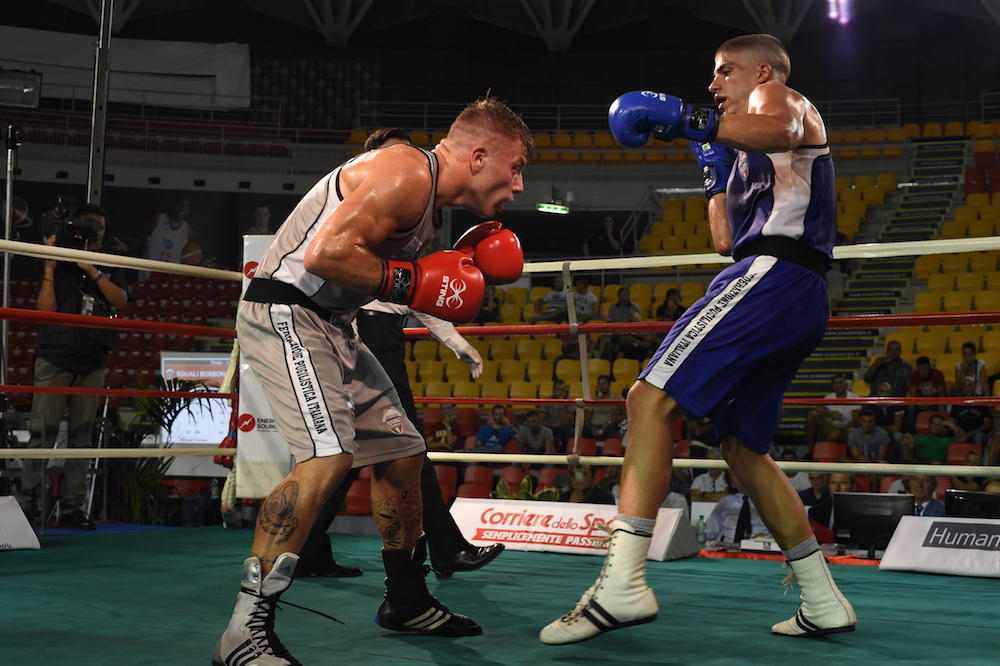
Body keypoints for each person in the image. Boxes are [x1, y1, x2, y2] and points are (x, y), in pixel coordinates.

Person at [541, 34, 856, 645]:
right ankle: (822, 599)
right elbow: (723, 241)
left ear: (761, 71)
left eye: (724, 72)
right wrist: (713, 175)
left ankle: (623, 585)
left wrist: (697, 121)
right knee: (741, 447)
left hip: (775, 274)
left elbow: (782, 131)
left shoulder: (784, 98)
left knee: (647, 400)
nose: (713, 84)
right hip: (789, 288)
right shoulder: (741, 148)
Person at [214, 97, 532, 664]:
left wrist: (442, 278)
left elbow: (391, 276)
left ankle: (405, 599)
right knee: (328, 456)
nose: (519, 185)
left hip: (335, 324)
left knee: (403, 451)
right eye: (516, 168)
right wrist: (412, 281)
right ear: (480, 157)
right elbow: (324, 255)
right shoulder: (404, 170)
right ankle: (243, 630)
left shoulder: (426, 197)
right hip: (287, 310)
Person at [295, 127, 505, 580]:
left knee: (359, 449)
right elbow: (339, 266)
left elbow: (420, 287)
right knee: (404, 442)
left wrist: (458, 343)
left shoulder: (408, 212)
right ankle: (446, 550)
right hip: (359, 327)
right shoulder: (369, 205)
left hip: (380, 330)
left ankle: (309, 548)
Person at [16, 204, 128, 530]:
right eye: (88, 226)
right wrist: (50, 266)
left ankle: (72, 508)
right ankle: (26, 503)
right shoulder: (59, 257)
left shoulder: (111, 259)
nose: (94, 232)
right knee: (42, 433)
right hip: (55, 356)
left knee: (82, 437)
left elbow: (120, 300)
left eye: (100, 227)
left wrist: (92, 268)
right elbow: (44, 312)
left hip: (92, 358)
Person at [704, 473, 770, 546]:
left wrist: (767, 538)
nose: (742, 474)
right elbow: (710, 531)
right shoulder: (725, 502)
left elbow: (780, 533)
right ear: (732, 483)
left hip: (759, 549)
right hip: (729, 549)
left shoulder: (768, 502)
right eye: (735, 472)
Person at [804, 373, 858, 447]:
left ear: (846, 384)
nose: (838, 386)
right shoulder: (829, 397)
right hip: (831, 427)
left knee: (850, 431)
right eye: (835, 383)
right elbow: (818, 408)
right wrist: (829, 412)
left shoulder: (854, 398)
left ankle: (849, 455)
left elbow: (855, 420)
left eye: (840, 382)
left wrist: (840, 430)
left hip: (846, 428)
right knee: (812, 415)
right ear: (832, 386)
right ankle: (811, 451)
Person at [949, 376, 993, 446]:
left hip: (978, 434)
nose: (967, 388)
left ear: (974, 386)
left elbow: (987, 424)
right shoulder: (958, 402)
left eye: (969, 385)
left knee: (978, 436)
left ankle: (979, 456)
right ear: (962, 387)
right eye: (965, 385)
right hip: (961, 433)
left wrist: (969, 434)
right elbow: (951, 421)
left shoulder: (981, 401)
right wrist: (958, 432)